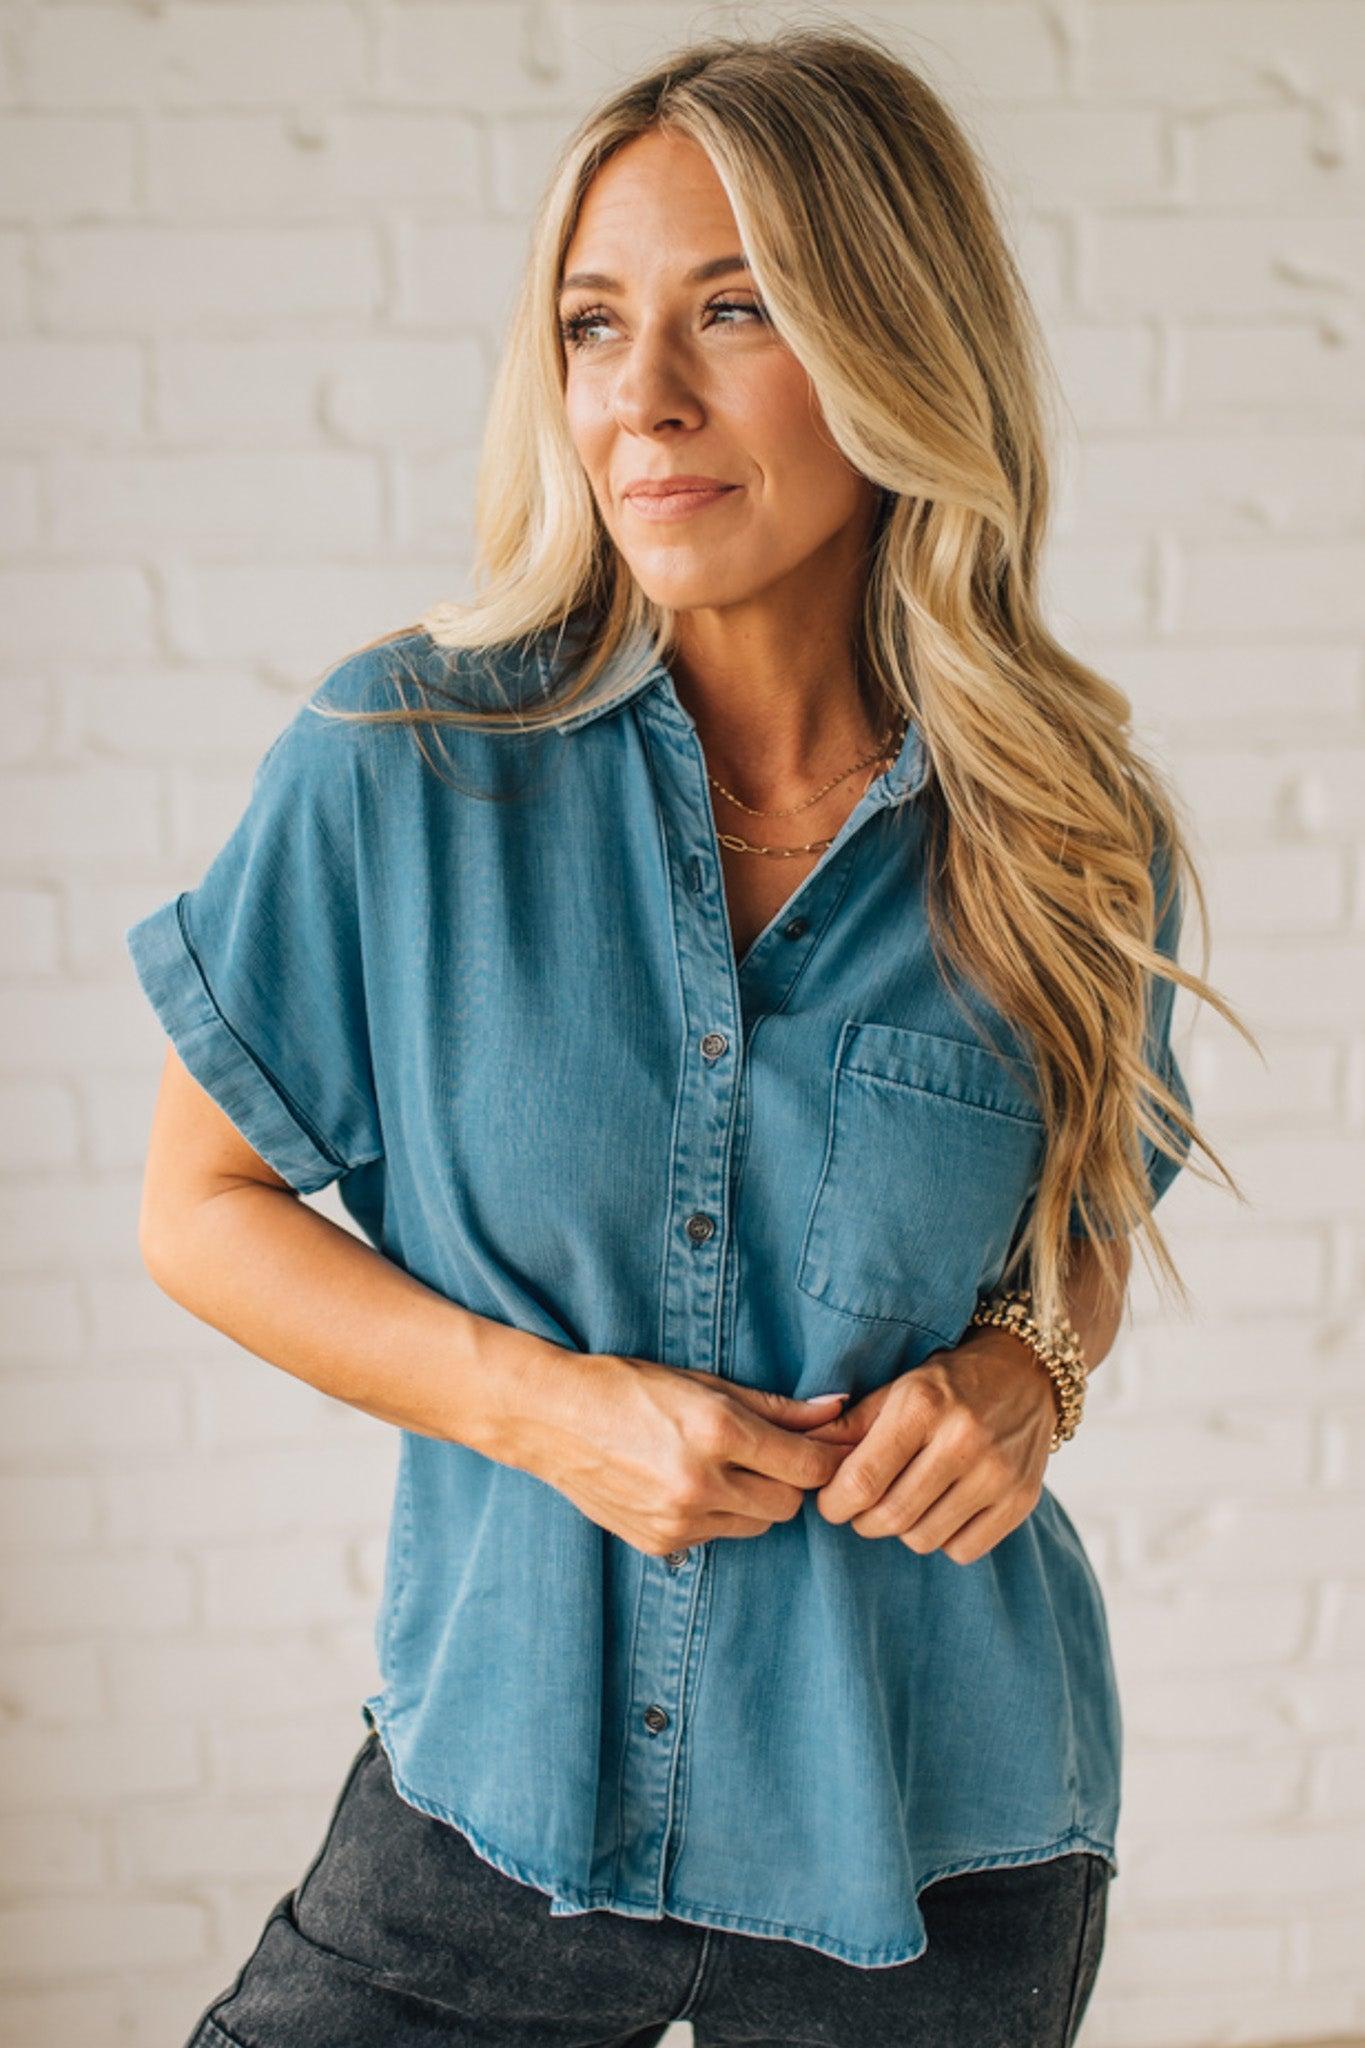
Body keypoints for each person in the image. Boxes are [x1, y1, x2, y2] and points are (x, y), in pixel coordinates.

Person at [126, 24, 1248, 2048]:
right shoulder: (402, 764)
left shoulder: (1067, 834)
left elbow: (1076, 1218)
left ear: (893, 338)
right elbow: (197, 1207)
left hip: (928, 1837)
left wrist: (1033, 1372)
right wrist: (541, 1409)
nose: (634, 398)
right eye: (586, 322)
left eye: (731, 312)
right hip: (489, 1807)